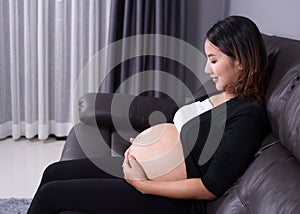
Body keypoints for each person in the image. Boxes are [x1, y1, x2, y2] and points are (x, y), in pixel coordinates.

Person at [27, 15, 270, 214]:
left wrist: (143, 184)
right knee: (53, 172)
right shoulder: (218, 93)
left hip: (165, 198)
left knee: (52, 195)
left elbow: (210, 187)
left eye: (214, 60)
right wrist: (148, 145)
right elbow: (181, 133)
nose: (207, 69)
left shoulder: (247, 116)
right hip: (141, 173)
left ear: (241, 61)